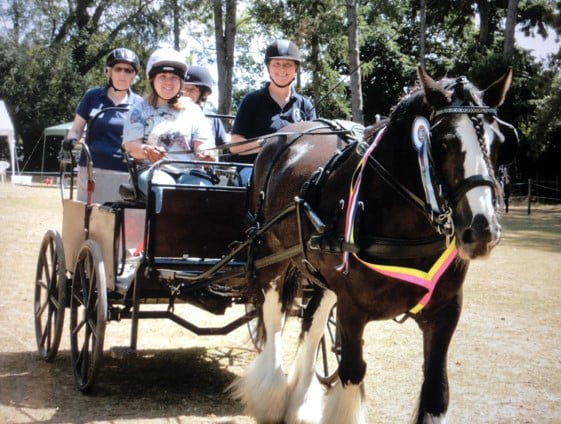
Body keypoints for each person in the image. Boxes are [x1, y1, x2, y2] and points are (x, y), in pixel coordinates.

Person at [122, 47, 215, 212]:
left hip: (190, 172)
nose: (168, 82)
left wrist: (204, 153)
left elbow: (202, 144)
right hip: (153, 170)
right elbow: (131, 147)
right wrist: (145, 150)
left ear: (181, 81)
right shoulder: (139, 109)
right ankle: (164, 236)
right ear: (152, 80)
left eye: (174, 77)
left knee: (207, 192)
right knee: (165, 191)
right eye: (162, 76)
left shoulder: (193, 110)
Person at [229, 39, 316, 185]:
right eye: (276, 64)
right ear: (268, 67)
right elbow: (235, 146)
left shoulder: (305, 106)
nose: (282, 70)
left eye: (288, 64)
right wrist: (268, 144)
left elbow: (312, 146)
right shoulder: (251, 101)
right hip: (254, 168)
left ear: (296, 69)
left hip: (292, 170)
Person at [64, 48, 143, 203]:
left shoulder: (139, 104)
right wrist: (71, 140)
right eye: (118, 69)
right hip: (90, 169)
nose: (122, 74)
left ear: (134, 76)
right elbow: (76, 129)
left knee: (117, 221)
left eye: (128, 70)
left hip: (123, 171)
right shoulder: (92, 96)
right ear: (108, 72)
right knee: (86, 217)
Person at [183, 65, 229, 149]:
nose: (186, 93)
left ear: (205, 94)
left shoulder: (212, 118)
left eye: (192, 89)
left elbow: (225, 146)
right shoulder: (168, 115)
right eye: (183, 89)